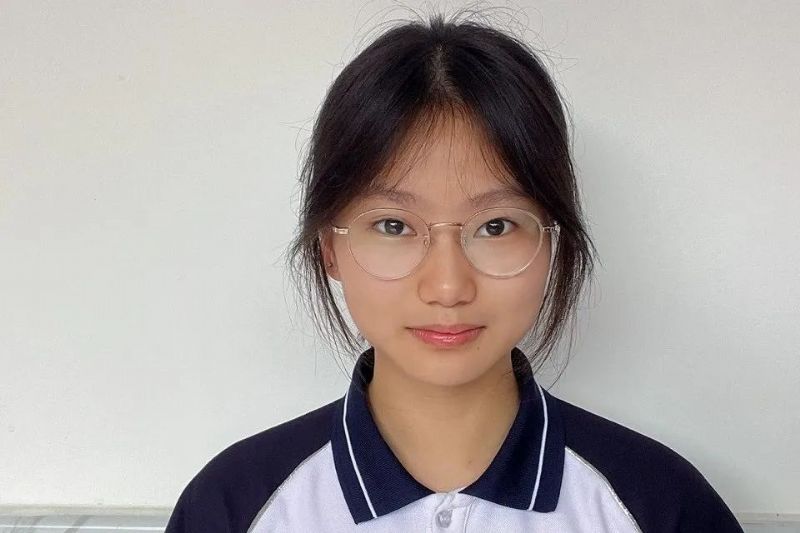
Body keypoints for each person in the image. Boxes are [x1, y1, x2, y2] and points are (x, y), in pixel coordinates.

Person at [164, 10, 744, 533]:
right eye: (394, 225)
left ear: (553, 243)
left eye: (495, 226)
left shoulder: (659, 505)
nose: (447, 287)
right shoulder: (234, 505)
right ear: (329, 249)